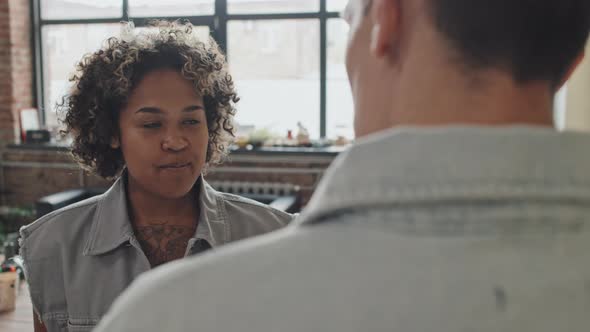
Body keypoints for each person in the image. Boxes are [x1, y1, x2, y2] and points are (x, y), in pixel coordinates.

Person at [96, 0, 590, 331]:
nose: (175, 142)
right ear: (571, 59)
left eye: (350, 18)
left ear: (388, 20)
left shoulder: (175, 316)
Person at [19, 21, 293, 332]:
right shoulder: (54, 245)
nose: (176, 142)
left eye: (190, 121)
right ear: (112, 132)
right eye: (151, 125)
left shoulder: (276, 238)